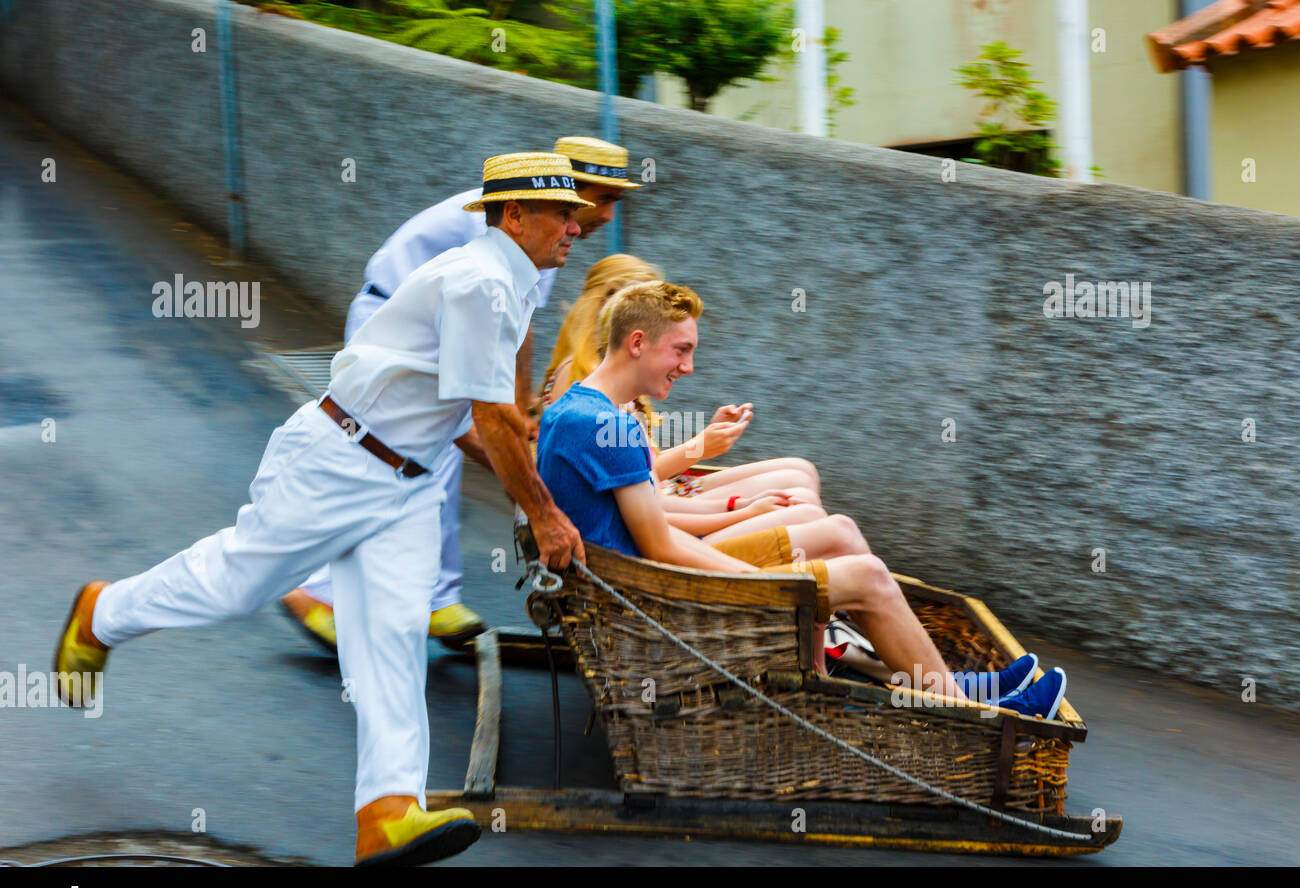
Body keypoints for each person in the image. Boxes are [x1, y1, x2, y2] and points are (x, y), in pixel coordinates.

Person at [54, 153, 589, 865]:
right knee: (237, 581)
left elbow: (465, 416)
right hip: (339, 461)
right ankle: (102, 610)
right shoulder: (481, 282)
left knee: (392, 638)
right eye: (561, 213)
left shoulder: (511, 282)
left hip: (402, 477)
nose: (576, 225)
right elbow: (492, 416)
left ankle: (388, 813)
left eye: (576, 213)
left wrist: (534, 483)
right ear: (513, 215)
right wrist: (546, 514)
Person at [536, 279, 1068, 719]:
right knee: (872, 577)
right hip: (657, 599)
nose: (689, 366)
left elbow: (651, 530)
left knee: (847, 554)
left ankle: (948, 688)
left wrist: (745, 530)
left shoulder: (576, 408)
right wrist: (763, 583)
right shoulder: (611, 425)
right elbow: (658, 545)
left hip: (637, 585)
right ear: (636, 343)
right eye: (681, 350)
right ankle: (977, 715)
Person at [281, 136, 644, 652]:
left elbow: (520, 326)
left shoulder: (543, 224)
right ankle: (318, 591)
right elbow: (496, 341)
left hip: (438, 329)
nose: (605, 214)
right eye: (601, 198)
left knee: (427, 462)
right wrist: (514, 439)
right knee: (406, 460)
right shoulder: (511, 218)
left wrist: (522, 414)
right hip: (396, 324)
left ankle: (429, 596)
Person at [537, 254, 826, 543]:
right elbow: (634, 483)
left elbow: (640, 468)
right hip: (656, 509)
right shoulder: (580, 380)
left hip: (661, 495)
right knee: (799, 495)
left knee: (802, 471)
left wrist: (708, 444)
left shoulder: (610, 375)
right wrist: (702, 450)